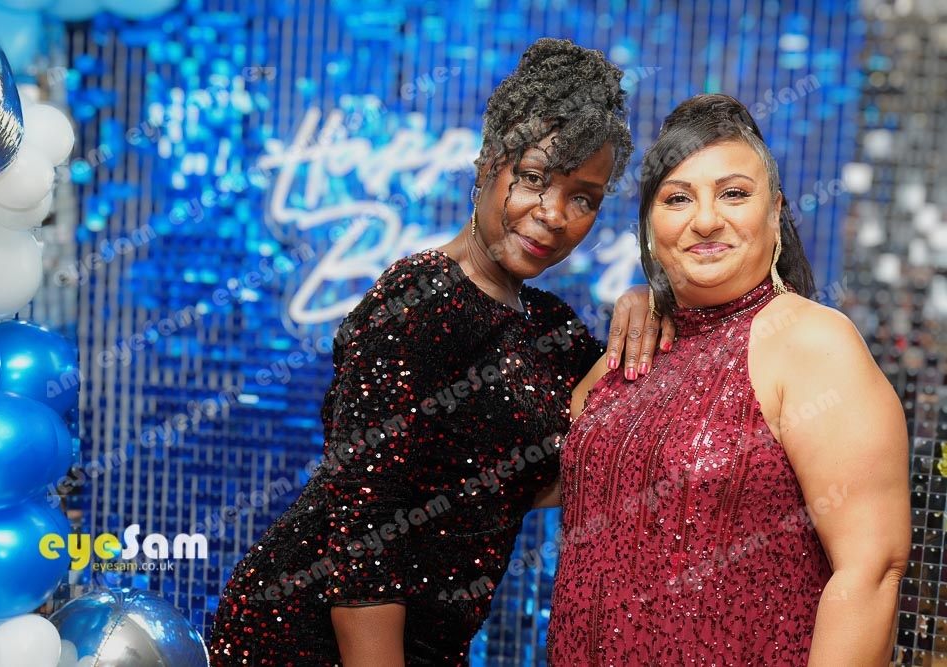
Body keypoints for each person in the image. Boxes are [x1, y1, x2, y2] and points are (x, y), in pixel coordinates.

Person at [208, 38, 673, 666]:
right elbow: (364, 527)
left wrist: (650, 298)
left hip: (431, 643)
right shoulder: (420, 299)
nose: (554, 214)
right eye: (534, 179)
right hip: (313, 640)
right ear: (488, 165)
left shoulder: (548, 328)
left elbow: (630, 424)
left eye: (583, 197)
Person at [547, 93, 910, 666]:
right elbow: (541, 474)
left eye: (734, 193)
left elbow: (870, 570)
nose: (706, 220)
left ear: (775, 211)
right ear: (649, 225)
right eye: (677, 198)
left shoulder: (811, 341)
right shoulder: (637, 344)